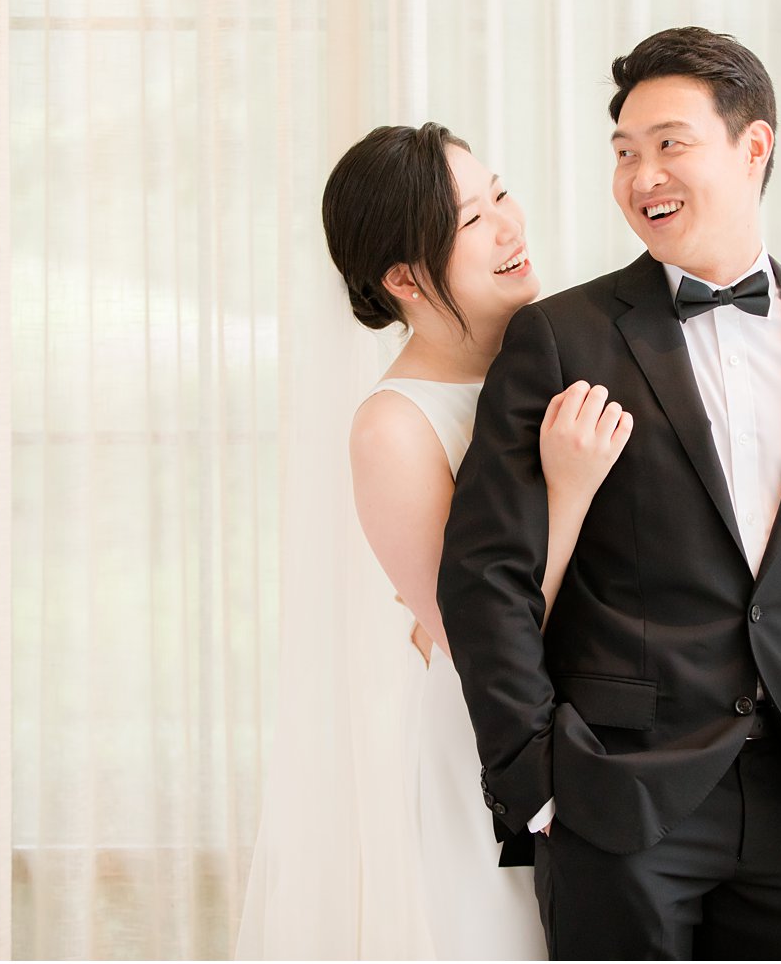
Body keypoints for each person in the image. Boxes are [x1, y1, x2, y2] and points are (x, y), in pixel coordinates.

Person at [437, 27, 781, 960]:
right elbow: (483, 572)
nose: (641, 174)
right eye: (623, 152)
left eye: (669, 144)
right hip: (623, 800)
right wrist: (533, 779)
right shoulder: (560, 338)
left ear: (754, 146)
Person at [237, 123, 632, 960]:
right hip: (496, 746)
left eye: (500, 192)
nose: (509, 224)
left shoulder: (578, 350)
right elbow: (478, 637)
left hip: (633, 727)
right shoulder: (394, 429)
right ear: (404, 278)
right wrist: (568, 491)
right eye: (471, 219)